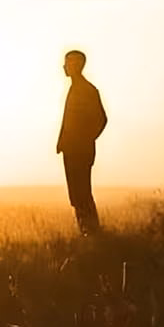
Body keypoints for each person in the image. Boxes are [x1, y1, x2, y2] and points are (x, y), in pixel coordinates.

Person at [57, 49, 107, 234]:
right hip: (72, 150)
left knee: (82, 193)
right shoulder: (76, 88)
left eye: (68, 63)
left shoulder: (87, 90)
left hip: (80, 151)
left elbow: (101, 119)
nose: (64, 67)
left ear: (77, 65)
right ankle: (86, 232)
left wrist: (84, 140)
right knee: (77, 194)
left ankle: (91, 232)